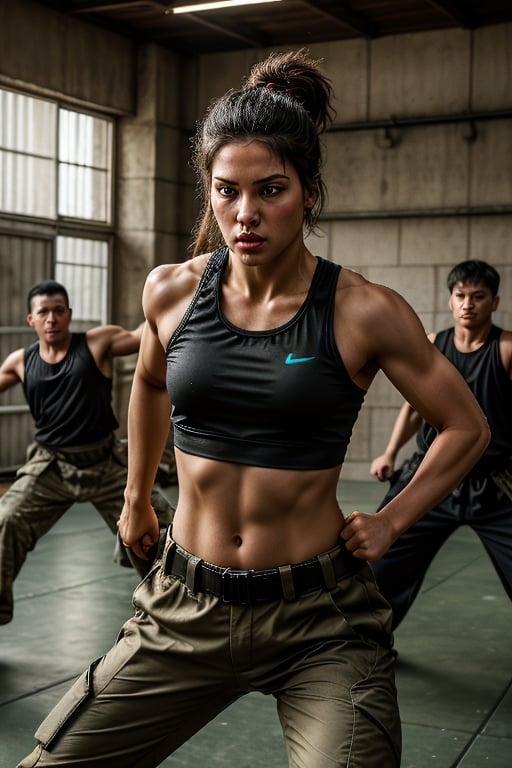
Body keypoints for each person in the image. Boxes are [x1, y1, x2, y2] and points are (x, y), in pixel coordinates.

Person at [18, 51, 489, 768]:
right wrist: (138, 497)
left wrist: (394, 517)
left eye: (270, 189)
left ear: (308, 190)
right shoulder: (172, 292)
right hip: (183, 607)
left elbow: (466, 424)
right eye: (226, 190)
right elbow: (148, 382)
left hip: (320, 619)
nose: (246, 213)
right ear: (208, 191)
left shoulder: (364, 310)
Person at [0, 279, 173, 625]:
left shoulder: (97, 343)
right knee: (5, 521)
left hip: (105, 463)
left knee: (161, 530)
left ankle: (172, 611)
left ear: (69, 315)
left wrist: (166, 295)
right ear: (31, 320)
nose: (52, 319)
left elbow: (144, 334)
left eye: (58, 311)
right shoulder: (20, 361)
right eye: (43, 312)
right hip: (51, 465)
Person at [370, 259, 512, 630]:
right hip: (432, 474)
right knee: (379, 568)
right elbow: (414, 408)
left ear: (494, 302)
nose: (468, 304)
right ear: (450, 300)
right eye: (460, 295)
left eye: (478, 297)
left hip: (495, 483)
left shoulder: (507, 349)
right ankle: (368, 646)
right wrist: (390, 452)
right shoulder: (433, 344)